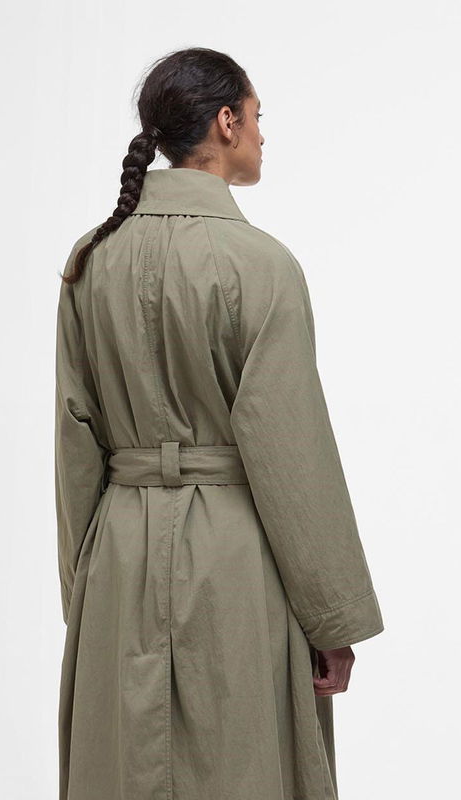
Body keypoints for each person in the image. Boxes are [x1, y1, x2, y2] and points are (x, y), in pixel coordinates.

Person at [54, 46, 384, 800]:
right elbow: (291, 450)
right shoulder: (260, 264)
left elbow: (75, 437)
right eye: (259, 116)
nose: (264, 134)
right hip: (232, 557)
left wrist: (84, 589)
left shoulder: (91, 258)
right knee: (242, 767)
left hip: (120, 552)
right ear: (227, 121)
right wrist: (332, 618)